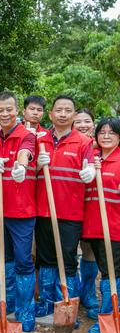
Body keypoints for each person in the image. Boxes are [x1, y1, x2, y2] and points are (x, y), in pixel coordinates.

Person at [35, 95, 94, 321]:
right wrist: (36, 164)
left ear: (74, 114)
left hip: (70, 211)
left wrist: (91, 172)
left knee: (68, 258)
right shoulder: (40, 140)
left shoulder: (84, 142)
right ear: (50, 114)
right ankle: (46, 303)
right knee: (45, 257)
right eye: (58, 110)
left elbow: (90, 169)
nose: (62, 114)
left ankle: (67, 305)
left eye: (67, 110)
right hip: (43, 210)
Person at [0, 91, 37, 332]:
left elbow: (25, 152)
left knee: (23, 260)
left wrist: (22, 165)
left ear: (16, 110)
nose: (5, 114)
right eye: (0, 110)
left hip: (22, 211)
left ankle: (26, 309)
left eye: (9, 109)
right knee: (3, 258)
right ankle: (6, 299)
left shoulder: (27, 135)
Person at [82, 117, 120, 333]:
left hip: (113, 229)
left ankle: (109, 317)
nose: (106, 136)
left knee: (111, 275)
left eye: (111, 133)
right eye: (102, 132)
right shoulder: (93, 159)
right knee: (104, 271)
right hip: (93, 227)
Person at [73, 107, 99, 319]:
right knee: (70, 250)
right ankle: (70, 292)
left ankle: (88, 292)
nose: (82, 125)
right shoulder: (74, 146)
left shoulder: (103, 148)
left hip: (95, 208)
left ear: (94, 123)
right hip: (72, 206)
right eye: (78, 122)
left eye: (87, 121)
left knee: (89, 249)